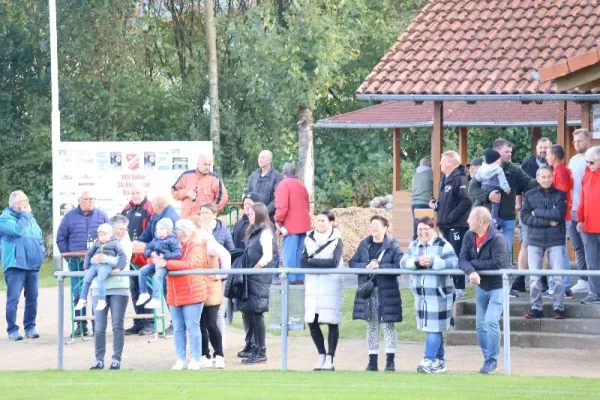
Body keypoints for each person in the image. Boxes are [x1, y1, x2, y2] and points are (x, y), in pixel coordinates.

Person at [400, 217, 458, 374]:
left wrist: (433, 262)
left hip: (439, 295)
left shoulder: (444, 245)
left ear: (433, 229)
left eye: (426, 229)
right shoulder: (414, 245)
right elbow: (403, 262)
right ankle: (439, 361)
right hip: (421, 296)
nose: (422, 232)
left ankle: (428, 359)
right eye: (420, 230)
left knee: (433, 328)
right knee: (433, 329)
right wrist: (418, 262)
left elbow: (454, 264)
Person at [469, 138, 536, 268]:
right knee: (486, 252)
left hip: (507, 218)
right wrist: (488, 196)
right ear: (497, 152)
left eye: (510, 152)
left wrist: (542, 178)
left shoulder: (515, 169)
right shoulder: (483, 169)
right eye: (506, 151)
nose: (510, 154)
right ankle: (485, 284)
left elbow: (529, 183)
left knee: (505, 253)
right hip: (487, 219)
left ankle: (504, 285)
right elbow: (471, 189)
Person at [459, 207, 509, 374]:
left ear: (480, 221)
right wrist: (471, 271)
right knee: (480, 325)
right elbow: (463, 260)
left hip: (497, 287)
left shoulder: (498, 238)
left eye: (470, 218)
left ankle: (492, 360)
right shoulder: (469, 236)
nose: (467, 221)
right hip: (481, 287)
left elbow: (498, 263)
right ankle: (488, 359)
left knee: (490, 321)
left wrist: (474, 266)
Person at [350, 215, 403, 372]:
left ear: (385, 228)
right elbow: (353, 262)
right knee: (371, 326)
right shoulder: (364, 244)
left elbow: (400, 265)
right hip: (369, 292)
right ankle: (372, 361)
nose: (373, 228)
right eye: (371, 225)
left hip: (386, 292)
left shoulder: (393, 245)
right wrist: (366, 265)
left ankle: (390, 361)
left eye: (377, 225)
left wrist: (381, 266)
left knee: (388, 325)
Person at [227, 203, 275, 365]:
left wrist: (254, 269)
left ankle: (261, 350)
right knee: (250, 312)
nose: (249, 216)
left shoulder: (265, 233)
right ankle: (254, 346)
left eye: (253, 214)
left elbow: (268, 256)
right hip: (251, 276)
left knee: (256, 313)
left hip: (258, 277)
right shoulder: (254, 232)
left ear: (260, 214)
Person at [56, 189, 109, 336]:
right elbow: (61, 238)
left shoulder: (102, 216)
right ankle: (80, 324)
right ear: (80, 200)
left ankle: (97, 324)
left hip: (97, 262)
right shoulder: (69, 217)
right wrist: (69, 257)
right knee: (78, 293)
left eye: (92, 199)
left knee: (97, 291)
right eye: (87, 199)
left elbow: (110, 238)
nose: (90, 201)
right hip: (76, 262)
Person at [162, 219, 212, 370]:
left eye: (176, 230)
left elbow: (190, 264)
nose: (173, 232)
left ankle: (196, 358)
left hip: (192, 292)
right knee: (178, 327)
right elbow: (155, 256)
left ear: (182, 232)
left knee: (192, 326)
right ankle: (180, 358)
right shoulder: (171, 243)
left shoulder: (195, 244)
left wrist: (166, 263)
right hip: (174, 292)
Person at [521, 166, 567, 319]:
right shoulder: (529, 195)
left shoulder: (561, 194)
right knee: (534, 277)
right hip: (535, 239)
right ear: (538, 178)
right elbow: (525, 218)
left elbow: (559, 214)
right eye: (543, 177)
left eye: (549, 176)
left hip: (556, 239)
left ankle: (559, 308)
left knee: (558, 276)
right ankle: (536, 308)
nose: (546, 179)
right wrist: (548, 222)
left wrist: (537, 213)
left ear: (553, 177)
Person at [301, 210, 344, 371]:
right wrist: (318, 263)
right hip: (313, 285)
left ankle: (330, 357)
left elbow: (333, 262)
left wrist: (313, 262)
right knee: (312, 321)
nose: (320, 223)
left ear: (331, 222)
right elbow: (303, 262)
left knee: (332, 321)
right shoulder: (308, 238)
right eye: (318, 220)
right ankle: (321, 354)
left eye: (323, 221)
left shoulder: (337, 240)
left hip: (331, 285)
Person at [88, 215, 132, 370]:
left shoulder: (125, 242)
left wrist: (105, 259)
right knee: (99, 326)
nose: (124, 232)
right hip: (98, 288)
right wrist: (96, 260)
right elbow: (91, 260)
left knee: (117, 324)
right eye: (121, 229)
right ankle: (99, 359)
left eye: (125, 229)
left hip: (119, 287)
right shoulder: (96, 242)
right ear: (111, 229)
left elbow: (123, 262)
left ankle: (116, 359)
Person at [0, 191, 45, 341]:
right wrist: (26, 215)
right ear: (14, 204)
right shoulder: (4, 218)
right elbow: (16, 231)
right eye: (23, 201)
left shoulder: (30, 218)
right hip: (15, 265)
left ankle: (30, 327)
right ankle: (12, 329)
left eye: (26, 200)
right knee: (13, 299)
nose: (26, 203)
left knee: (32, 298)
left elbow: (38, 235)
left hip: (32, 265)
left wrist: (41, 252)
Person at [134, 192, 180, 335]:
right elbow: (149, 234)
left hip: (169, 263)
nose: (150, 206)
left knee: (170, 293)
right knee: (151, 280)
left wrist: (162, 255)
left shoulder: (170, 218)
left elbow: (175, 246)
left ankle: (176, 324)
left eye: (152, 204)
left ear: (157, 205)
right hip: (157, 260)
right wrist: (140, 243)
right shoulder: (157, 215)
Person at [511, 138, 552, 296]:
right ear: (536, 148)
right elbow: (517, 188)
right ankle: (520, 280)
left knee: (546, 246)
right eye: (541, 147)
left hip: (548, 211)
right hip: (528, 210)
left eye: (546, 148)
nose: (543, 150)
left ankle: (544, 281)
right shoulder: (526, 165)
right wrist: (518, 207)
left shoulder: (553, 165)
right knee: (526, 244)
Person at [189, 217, 231, 369]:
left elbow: (226, 255)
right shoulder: (191, 244)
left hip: (210, 287)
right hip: (197, 286)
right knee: (199, 322)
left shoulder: (208, 242)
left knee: (211, 322)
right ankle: (203, 354)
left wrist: (220, 275)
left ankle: (218, 354)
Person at [429, 150, 471, 298]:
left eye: (442, 160)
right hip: (444, 224)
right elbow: (445, 201)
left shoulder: (460, 178)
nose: (440, 163)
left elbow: (466, 201)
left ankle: (459, 288)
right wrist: (436, 205)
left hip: (457, 225)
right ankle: (450, 285)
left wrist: (451, 217)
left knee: (457, 254)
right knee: (447, 255)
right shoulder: (444, 179)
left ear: (451, 162)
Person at [230, 192, 261, 357]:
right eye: (245, 204)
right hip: (239, 268)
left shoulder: (260, 227)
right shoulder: (240, 223)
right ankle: (249, 343)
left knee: (254, 311)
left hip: (251, 271)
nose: (247, 207)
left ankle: (257, 346)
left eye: (251, 204)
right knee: (244, 310)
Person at [121, 185, 154, 335]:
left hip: (144, 258)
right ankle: (139, 322)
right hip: (130, 257)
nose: (135, 195)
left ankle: (150, 322)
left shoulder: (149, 208)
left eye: (138, 192)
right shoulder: (127, 208)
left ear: (144, 193)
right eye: (133, 193)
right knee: (134, 290)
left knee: (145, 290)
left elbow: (153, 231)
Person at [74, 224, 128, 312]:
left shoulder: (115, 243)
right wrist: (86, 267)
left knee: (100, 279)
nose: (102, 237)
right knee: (86, 279)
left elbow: (123, 256)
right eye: (100, 235)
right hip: (95, 265)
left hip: (106, 265)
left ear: (110, 234)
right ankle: (83, 299)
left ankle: (102, 300)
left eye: (104, 234)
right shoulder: (96, 243)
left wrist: (119, 267)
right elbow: (89, 254)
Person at [274, 162, 311, 284]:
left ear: (283, 173)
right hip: (303, 225)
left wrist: (277, 220)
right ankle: (300, 278)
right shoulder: (301, 184)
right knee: (299, 254)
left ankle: (289, 279)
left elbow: (282, 206)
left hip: (290, 226)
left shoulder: (283, 184)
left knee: (289, 254)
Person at [546, 144, 574, 298]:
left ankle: (563, 287)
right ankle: (562, 287)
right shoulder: (561, 170)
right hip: (561, 217)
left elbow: (561, 196)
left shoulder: (561, 171)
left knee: (560, 252)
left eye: (548, 155)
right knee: (559, 252)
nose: (546, 157)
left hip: (560, 218)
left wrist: (556, 217)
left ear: (554, 156)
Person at [136, 219, 183, 309]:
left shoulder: (173, 240)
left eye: (162, 228)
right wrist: (151, 253)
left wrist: (165, 256)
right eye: (157, 228)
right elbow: (147, 250)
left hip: (165, 264)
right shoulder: (155, 240)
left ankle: (156, 298)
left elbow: (178, 253)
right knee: (142, 271)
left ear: (168, 230)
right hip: (155, 262)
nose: (159, 231)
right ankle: (144, 293)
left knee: (157, 277)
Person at [569, 129, 592, 294]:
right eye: (574, 141)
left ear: (588, 141)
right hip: (573, 210)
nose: (577, 144)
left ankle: (593, 280)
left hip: (589, 212)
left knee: (590, 246)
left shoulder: (593, 159)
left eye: (580, 141)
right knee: (577, 246)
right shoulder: (573, 160)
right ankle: (583, 279)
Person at [171, 154, 229, 218]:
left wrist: (210, 211)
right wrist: (186, 193)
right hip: (187, 218)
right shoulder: (186, 175)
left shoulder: (215, 178)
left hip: (204, 219)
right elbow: (174, 191)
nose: (207, 167)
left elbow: (223, 198)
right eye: (205, 164)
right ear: (198, 164)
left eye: (209, 165)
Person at [577, 146, 600, 305]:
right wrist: (580, 219)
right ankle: (595, 293)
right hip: (588, 226)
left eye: (591, 161)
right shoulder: (587, 174)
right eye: (587, 161)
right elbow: (583, 199)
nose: (588, 164)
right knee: (591, 261)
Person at [475, 149, 511, 225]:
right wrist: (507, 189)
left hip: (483, 186)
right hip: (495, 188)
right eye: (499, 159)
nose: (500, 161)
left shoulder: (482, 168)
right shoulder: (498, 169)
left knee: (479, 201)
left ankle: (474, 213)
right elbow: (503, 181)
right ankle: (494, 219)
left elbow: (477, 177)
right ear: (495, 160)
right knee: (495, 204)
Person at [246, 150, 283, 219]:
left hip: (269, 217)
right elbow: (248, 193)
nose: (259, 160)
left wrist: (264, 211)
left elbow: (278, 198)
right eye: (259, 158)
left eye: (262, 157)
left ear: (270, 160)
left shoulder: (277, 177)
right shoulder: (253, 176)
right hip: (253, 216)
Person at [411, 158, 433, 240]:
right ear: (429, 164)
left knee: (417, 224)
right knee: (426, 225)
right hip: (425, 202)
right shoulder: (430, 173)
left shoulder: (415, 173)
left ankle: (415, 241)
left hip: (414, 203)